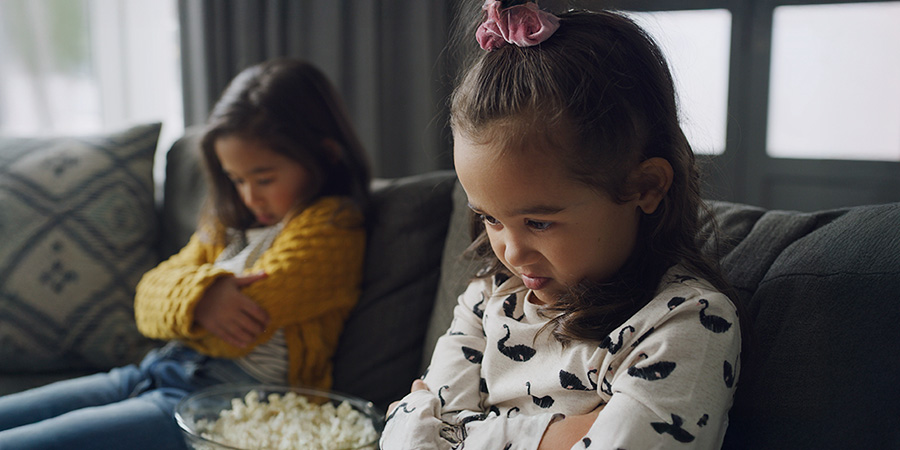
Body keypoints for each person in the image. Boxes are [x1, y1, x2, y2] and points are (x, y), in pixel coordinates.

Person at [381, 2, 747, 449]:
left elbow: (417, 430)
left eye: (538, 222)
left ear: (646, 186)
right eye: (490, 218)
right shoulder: (486, 300)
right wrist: (566, 433)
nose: (510, 253)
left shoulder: (684, 323)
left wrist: (432, 426)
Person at [0, 58, 372, 449]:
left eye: (263, 178)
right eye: (236, 179)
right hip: (154, 370)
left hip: (221, 403)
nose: (249, 195)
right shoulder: (225, 223)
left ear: (326, 154)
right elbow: (144, 301)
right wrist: (201, 301)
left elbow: (237, 335)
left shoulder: (334, 228)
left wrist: (183, 304)